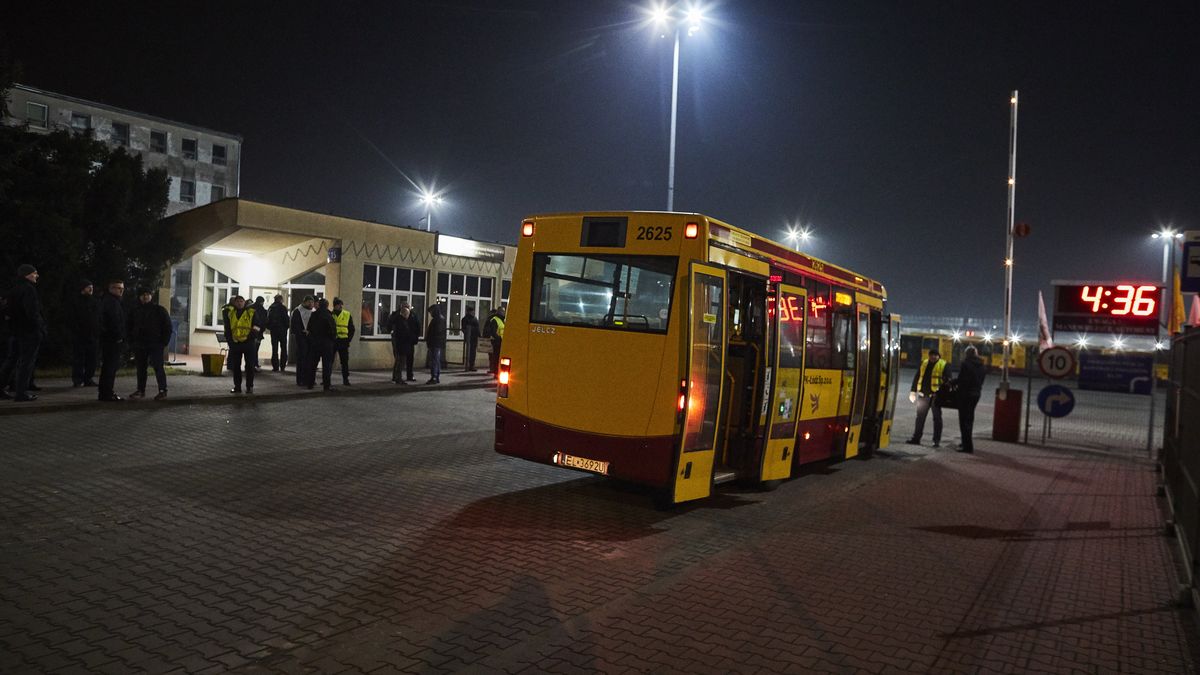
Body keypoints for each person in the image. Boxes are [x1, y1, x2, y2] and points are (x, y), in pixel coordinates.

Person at [0, 264, 46, 402]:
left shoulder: (13, 290)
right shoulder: (29, 289)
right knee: (26, 363)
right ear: (27, 275)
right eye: (34, 273)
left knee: (11, 360)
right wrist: (40, 328)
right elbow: (32, 312)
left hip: (15, 332)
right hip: (29, 332)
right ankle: (21, 393)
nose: (37, 276)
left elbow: (6, 311)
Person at [126, 287, 172, 400]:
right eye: (143, 295)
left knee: (158, 367)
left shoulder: (159, 310)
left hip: (155, 344)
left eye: (147, 294)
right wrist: (132, 341)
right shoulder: (135, 310)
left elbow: (167, 327)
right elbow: (129, 326)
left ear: (151, 296)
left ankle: (162, 390)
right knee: (141, 368)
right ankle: (140, 390)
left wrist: (163, 342)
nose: (145, 297)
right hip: (140, 344)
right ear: (139, 296)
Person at [907, 348, 948, 447]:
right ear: (928, 356)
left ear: (939, 356)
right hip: (923, 396)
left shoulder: (943, 365)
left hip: (936, 397)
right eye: (931, 355)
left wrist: (942, 394)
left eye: (935, 355)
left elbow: (947, 381)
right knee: (920, 418)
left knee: (937, 419)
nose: (933, 357)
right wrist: (913, 391)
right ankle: (916, 438)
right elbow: (917, 377)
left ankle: (936, 440)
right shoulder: (924, 363)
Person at [223, 295, 263, 394]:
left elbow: (257, 326)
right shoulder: (230, 313)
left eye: (241, 301)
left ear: (244, 302)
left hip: (249, 343)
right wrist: (230, 342)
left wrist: (250, 337)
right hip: (236, 344)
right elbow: (227, 329)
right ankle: (237, 387)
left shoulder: (251, 312)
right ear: (234, 303)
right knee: (236, 367)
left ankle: (249, 387)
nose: (240, 303)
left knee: (249, 366)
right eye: (238, 301)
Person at [952, 346, 986, 453]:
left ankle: (967, 446)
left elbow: (962, 380)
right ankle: (966, 443)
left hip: (965, 395)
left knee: (963, 420)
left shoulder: (966, 364)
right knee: (970, 419)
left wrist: (952, 382)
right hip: (976, 394)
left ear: (967, 354)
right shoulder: (982, 365)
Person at [97, 280, 127, 402]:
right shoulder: (112, 303)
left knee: (108, 367)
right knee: (110, 367)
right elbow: (114, 322)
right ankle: (107, 393)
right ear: (111, 289)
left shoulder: (109, 301)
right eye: (118, 288)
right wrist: (119, 336)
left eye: (122, 288)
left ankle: (105, 392)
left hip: (108, 339)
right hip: (112, 340)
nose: (121, 290)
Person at [71, 279, 99, 387]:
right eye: (88, 287)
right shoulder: (76, 301)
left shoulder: (95, 301)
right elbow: (72, 318)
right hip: (80, 335)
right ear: (82, 288)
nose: (91, 289)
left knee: (92, 358)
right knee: (79, 358)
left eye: (91, 286)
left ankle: (88, 378)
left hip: (93, 334)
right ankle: (77, 379)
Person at [306, 298, 337, 391]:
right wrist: (332, 340)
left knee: (313, 364)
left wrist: (311, 339)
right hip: (326, 343)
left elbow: (309, 328)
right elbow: (333, 330)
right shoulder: (329, 316)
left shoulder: (314, 315)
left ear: (319, 305)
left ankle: (310, 384)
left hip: (315, 343)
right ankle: (326, 385)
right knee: (326, 365)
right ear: (327, 305)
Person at [290, 296, 315, 386]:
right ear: (305, 302)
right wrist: (301, 331)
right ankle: (300, 379)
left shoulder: (313, 311)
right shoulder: (297, 311)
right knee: (302, 359)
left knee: (309, 360)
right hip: (301, 338)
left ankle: (308, 379)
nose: (311, 304)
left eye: (312, 303)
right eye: (310, 302)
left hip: (310, 338)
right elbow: (294, 326)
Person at [391, 303, 420, 383]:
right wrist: (412, 337)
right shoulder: (400, 320)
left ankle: (399, 377)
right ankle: (398, 378)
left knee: (403, 360)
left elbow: (417, 327)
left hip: (405, 343)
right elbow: (403, 333)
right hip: (402, 344)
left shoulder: (409, 318)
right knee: (400, 361)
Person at [331, 297, 356, 386]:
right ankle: (327, 379)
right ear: (335, 306)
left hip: (343, 341)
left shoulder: (347, 314)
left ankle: (345, 379)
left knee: (344, 362)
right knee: (330, 361)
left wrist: (348, 339)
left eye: (341, 305)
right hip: (333, 341)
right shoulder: (331, 315)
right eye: (339, 305)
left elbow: (352, 329)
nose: (341, 306)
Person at [267, 294, 289, 372]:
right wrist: (286, 327)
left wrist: (270, 328)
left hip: (274, 331)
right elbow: (286, 319)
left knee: (274, 349)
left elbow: (268, 320)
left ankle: (275, 366)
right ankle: (282, 366)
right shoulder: (283, 308)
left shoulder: (271, 308)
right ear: (281, 300)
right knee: (283, 348)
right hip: (282, 331)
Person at [425, 304, 446, 384]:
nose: (430, 314)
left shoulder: (438, 319)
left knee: (435, 360)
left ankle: (434, 376)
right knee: (436, 360)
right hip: (436, 343)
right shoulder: (439, 319)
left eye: (431, 312)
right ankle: (435, 376)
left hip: (435, 343)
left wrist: (430, 340)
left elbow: (436, 332)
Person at [484, 307, 506, 375]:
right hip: (497, 342)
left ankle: (499, 372)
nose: (504, 313)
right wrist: (499, 338)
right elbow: (493, 332)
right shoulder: (494, 320)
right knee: (496, 358)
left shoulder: (504, 320)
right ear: (499, 312)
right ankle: (496, 373)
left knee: (500, 358)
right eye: (503, 311)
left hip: (503, 342)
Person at [250, 296, 268, 372]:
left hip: (250, 331)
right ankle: (255, 364)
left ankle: (251, 364)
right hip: (258, 332)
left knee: (251, 349)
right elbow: (264, 322)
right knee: (256, 349)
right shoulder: (263, 310)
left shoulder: (250, 308)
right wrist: (261, 330)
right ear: (262, 302)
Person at [461, 306, 480, 371]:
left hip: (473, 338)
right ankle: (469, 366)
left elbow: (477, 328)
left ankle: (471, 365)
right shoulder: (467, 319)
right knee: (470, 352)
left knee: (472, 352)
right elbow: (464, 329)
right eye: (471, 311)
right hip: (470, 338)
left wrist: (479, 336)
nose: (473, 312)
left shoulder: (473, 318)